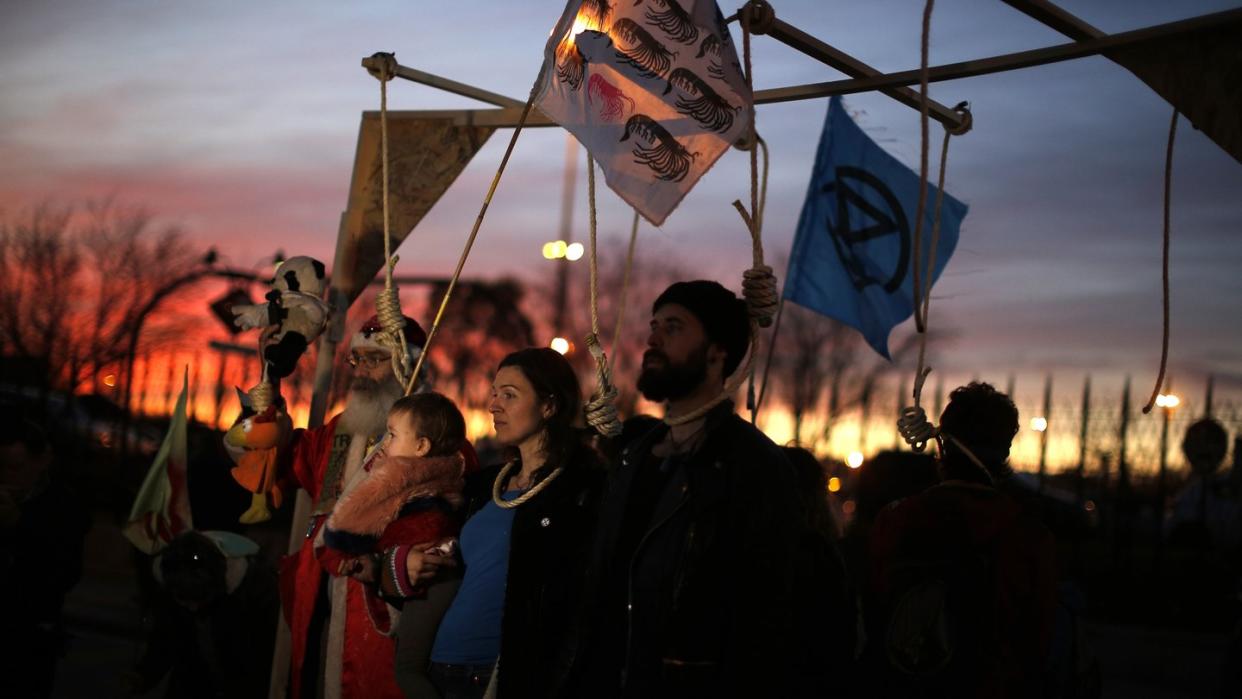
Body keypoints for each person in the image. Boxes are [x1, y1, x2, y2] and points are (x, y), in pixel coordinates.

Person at [573, 280, 826, 698]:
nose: (652, 339)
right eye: (654, 326)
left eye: (673, 328)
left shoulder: (754, 465)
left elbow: (764, 615)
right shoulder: (634, 454)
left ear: (716, 351)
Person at [418, 347, 604, 698]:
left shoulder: (580, 491)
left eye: (509, 395)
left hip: (501, 672)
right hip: (442, 664)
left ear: (548, 406)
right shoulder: (484, 485)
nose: (494, 405)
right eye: (494, 393)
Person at [867, 382, 1056, 699]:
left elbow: (874, 610)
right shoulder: (1028, 536)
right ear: (1006, 449)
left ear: (941, 444)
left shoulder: (895, 520)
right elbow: (1038, 644)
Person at [275, 314, 429, 699]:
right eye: (357, 360)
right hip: (318, 605)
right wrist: (268, 396)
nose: (360, 370)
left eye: (374, 360)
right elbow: (283, 459)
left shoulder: (436, 439)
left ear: (405, 365)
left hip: (377, 616)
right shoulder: (340, 430)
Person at [320, 392, 469, 698]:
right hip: (411, 584)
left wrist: (356, 545)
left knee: (408, 669)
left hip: (431, 582)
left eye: (392, 435)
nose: (384, 443)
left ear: (421, 446)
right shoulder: (441, 474)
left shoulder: (398, 479)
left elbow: (346, 529)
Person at [0, 409, 90, 699]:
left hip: (28, 640)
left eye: (15, 467)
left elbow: (64, 574)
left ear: (42, 461)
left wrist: (19, 527)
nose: (6, 477)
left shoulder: (63, 506)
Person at [125, 530, 278, 698]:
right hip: (193, 683)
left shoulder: (256, 594)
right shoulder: (173, 577)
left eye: (199, 599)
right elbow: (165, 637)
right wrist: (144, 674)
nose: (193, 608)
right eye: (184, 600)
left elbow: (262, 660)